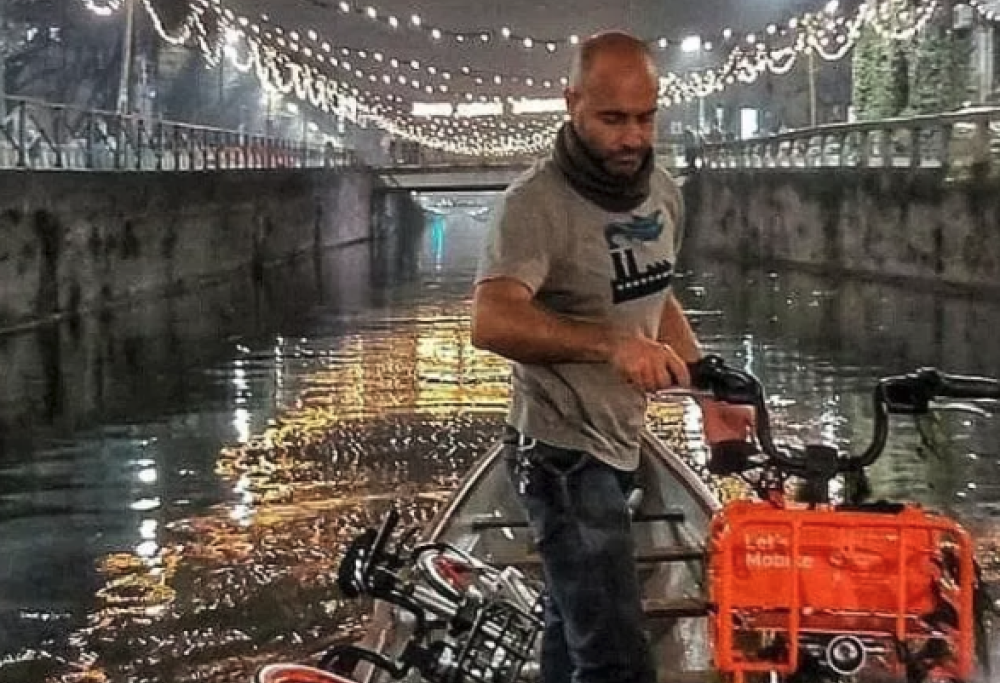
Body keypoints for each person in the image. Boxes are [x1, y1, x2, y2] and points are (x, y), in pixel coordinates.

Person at [470, 31, 753, 683]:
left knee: (571, 631)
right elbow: (492, 318)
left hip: (619, 438)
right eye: (613, 119)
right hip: (561, 455)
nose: (633, 137)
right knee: (617, 657)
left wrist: (710, 390)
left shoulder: (662, 191)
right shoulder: (534, 206)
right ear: (572, 103)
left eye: (646, 117)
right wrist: (609, 344)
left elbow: (655, 294)